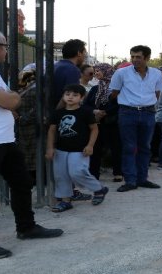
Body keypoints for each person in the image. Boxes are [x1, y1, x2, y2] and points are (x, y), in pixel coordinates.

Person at [0, 27, 62, 259]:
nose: (8, 50)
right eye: (6, 45)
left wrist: (9, 98)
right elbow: (9, 100)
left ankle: (26, 227)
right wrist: (11, 98)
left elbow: (8, 98)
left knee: (21, 182)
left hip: (3, 139)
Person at [109, 45, 162, 192]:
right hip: (127, 113)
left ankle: (142, 179)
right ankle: (130, 181)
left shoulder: (156, 74)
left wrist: (150, 106)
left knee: (145, 147)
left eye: (138, 57)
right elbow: (113, 93)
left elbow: (158, 93)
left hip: (148, 113)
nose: (134, 59)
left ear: (147, 58)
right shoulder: (121, 73)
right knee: (128, 147)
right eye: (132, 56)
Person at [46, 84, 108, 212]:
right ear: (63, 96)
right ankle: (65, 201)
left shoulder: (85, 112)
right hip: (61, 150)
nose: (70, 97)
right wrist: (50, 148)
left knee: (77, 172)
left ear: (81, 97)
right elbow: (51, 131)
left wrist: (90, 145)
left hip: (80, 150)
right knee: (61, 175)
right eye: (67, 94)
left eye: (75, 95)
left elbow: (94, 129)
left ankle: (98, 189)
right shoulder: (58, 113)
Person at [52, 38, 91, 201]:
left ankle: (67, 191)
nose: (85, 55)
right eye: (84, 51)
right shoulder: (72, 70)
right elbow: (68, 95)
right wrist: (59, 113)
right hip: (63, 116)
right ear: (78, 53)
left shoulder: (58, 66)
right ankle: (68, 193)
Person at [83, 63, 122, 182]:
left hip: (112, 122)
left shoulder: (117, 88)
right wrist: (95, 111)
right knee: (96, 147)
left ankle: (118, 172)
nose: (96, 73)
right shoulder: (95, 88)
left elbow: (120, 104)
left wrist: (105, 112)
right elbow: (86, 105)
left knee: (116, 147)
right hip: (97, 123)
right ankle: (94, 174)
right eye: (95, 71)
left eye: (99, 71)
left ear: (107, 71)